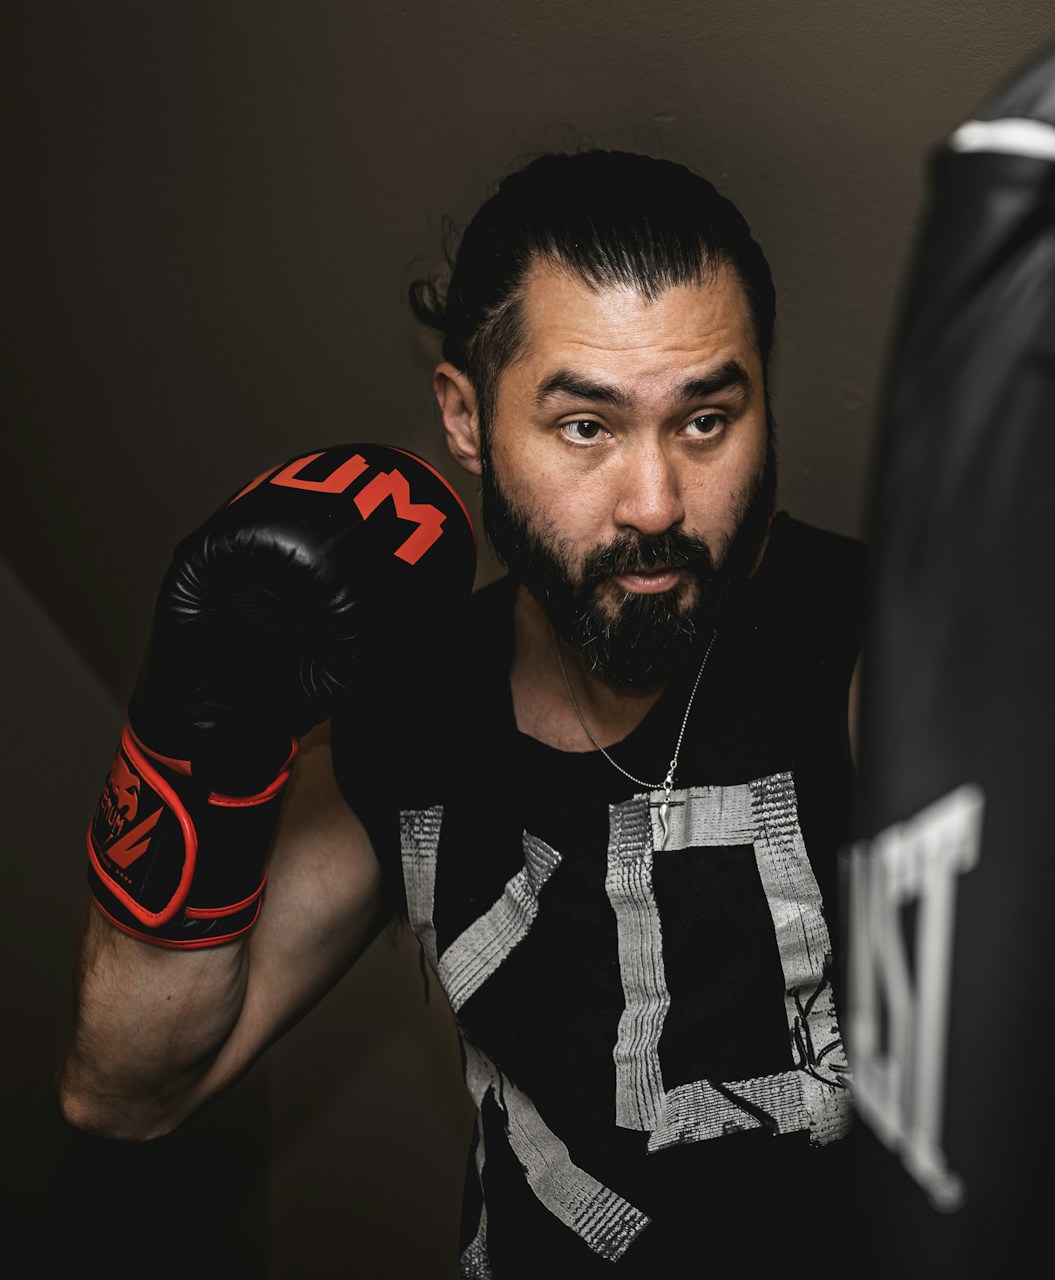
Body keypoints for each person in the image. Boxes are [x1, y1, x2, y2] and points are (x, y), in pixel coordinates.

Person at [59, 150, 864, 1275]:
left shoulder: (878, 643)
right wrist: (197, 728)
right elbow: (127, 1090)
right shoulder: (414, 706)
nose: (655, 504)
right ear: (467, 417)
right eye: (585, 425)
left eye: (705, 420)